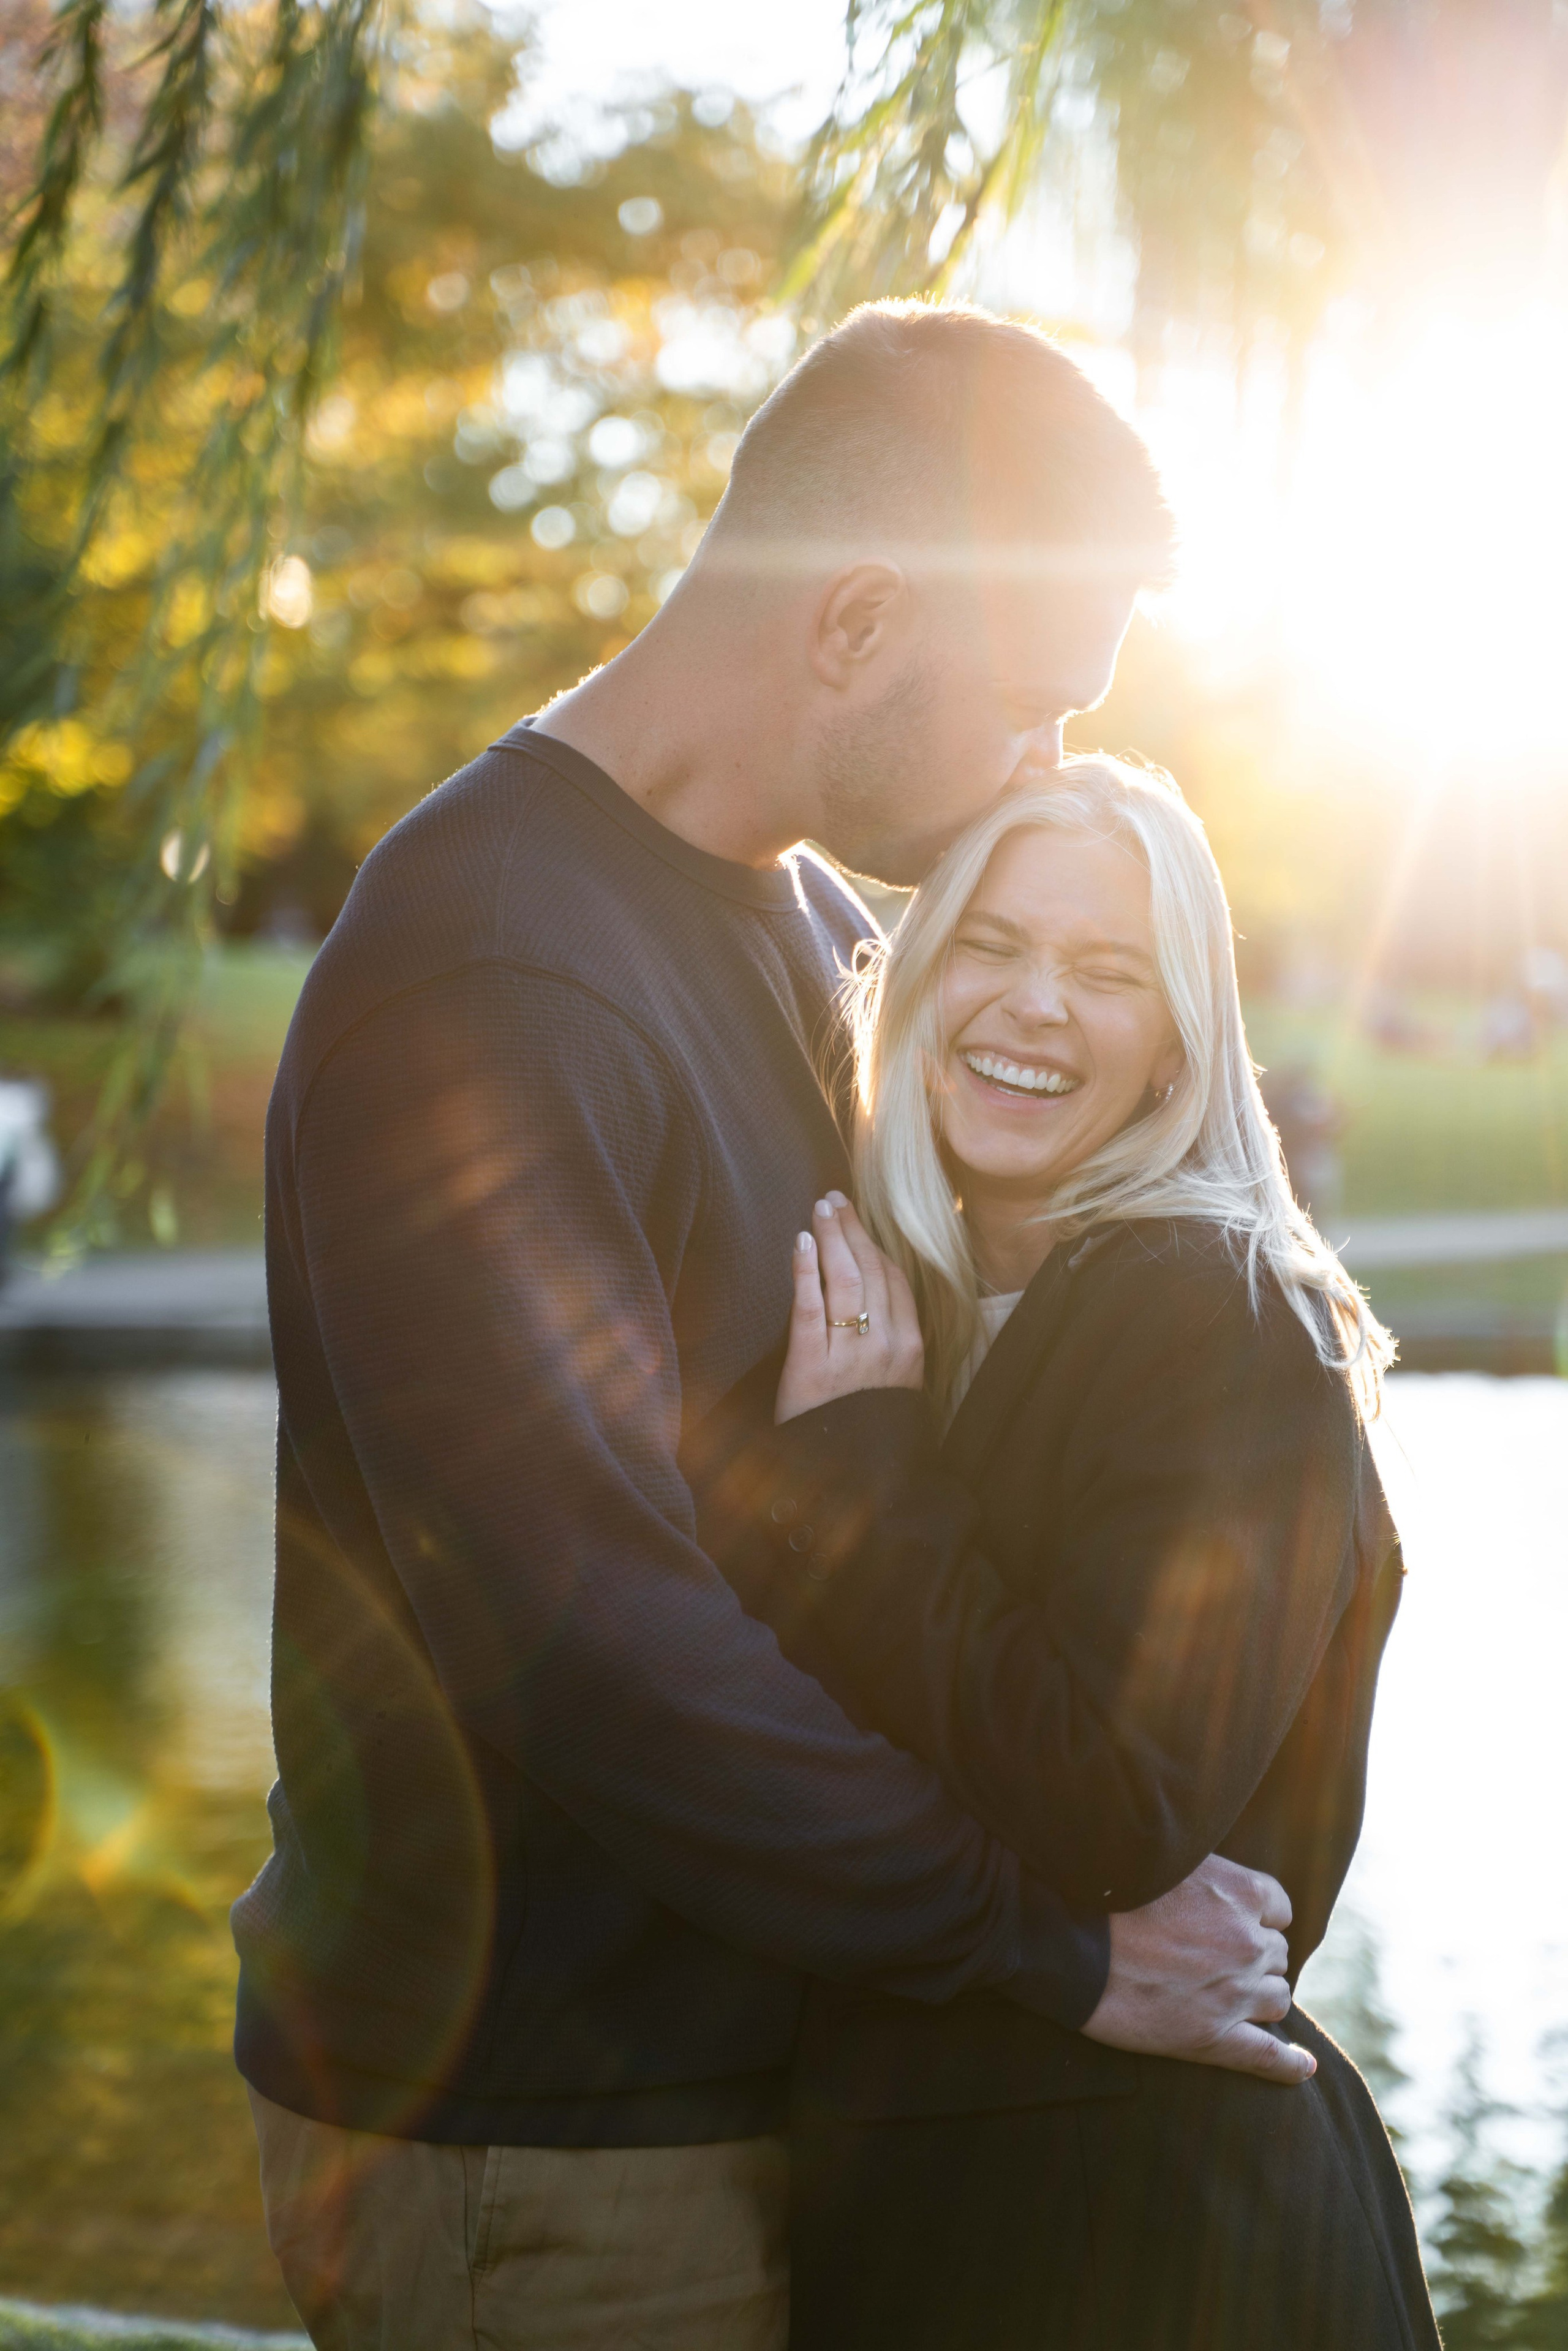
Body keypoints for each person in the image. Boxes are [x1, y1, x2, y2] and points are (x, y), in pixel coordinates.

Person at [236, 304, 1308, 2350]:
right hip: (548, 2142)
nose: (1051, 767)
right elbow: (589, 1635)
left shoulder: (828, 939)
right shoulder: (489, 975)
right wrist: (1058, 1952)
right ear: (855, 624)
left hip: (797, 2081)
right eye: (1031, 704)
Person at [707, 756, 1439, 2349]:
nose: (1036, 1004)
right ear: (914, 977)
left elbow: (1118, 1802)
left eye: (1109, 973)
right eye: (992, 945)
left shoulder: (1207, 1311)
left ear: (1179, 1041)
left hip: (1153, 2241)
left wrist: (862, 1471)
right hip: (983, 2213)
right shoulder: (951, 1302)